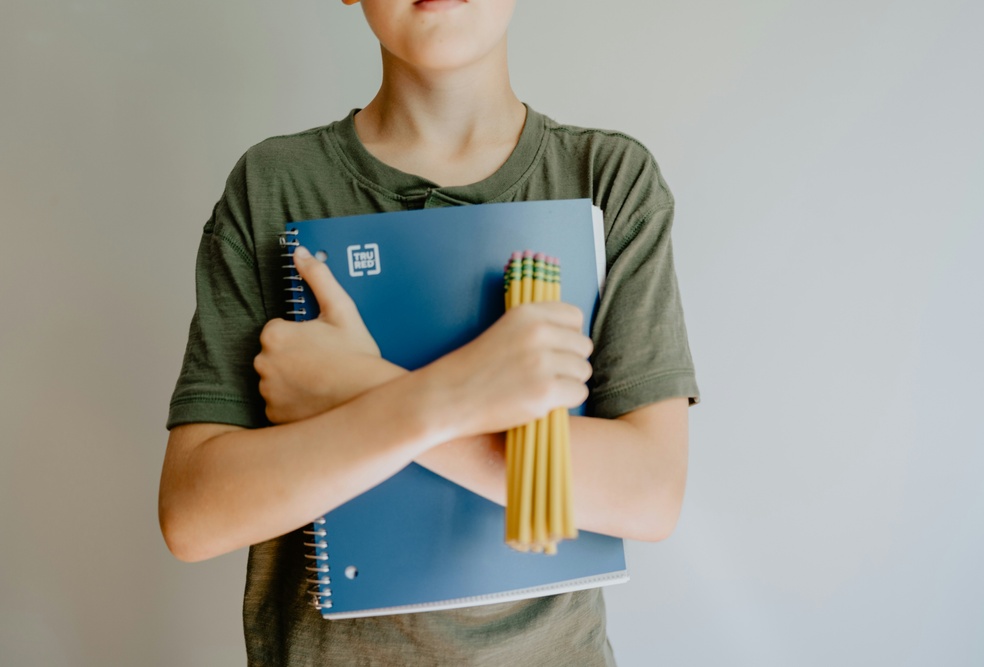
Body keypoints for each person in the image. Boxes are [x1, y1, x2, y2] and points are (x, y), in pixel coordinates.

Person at [158, 0, 700, 664]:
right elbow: (194, 515)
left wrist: (356, 385)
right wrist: (454, 396)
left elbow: (649, 492)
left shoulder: (608, 180)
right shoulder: (272, 185)